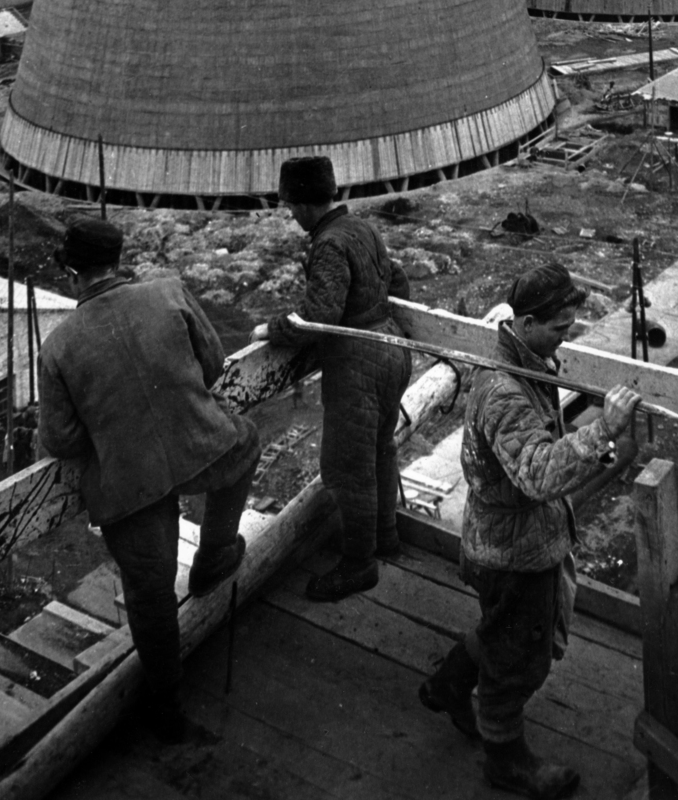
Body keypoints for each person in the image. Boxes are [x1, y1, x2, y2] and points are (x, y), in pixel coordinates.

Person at [419, 261, 641, 800]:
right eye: (560, 328)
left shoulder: (528, 361)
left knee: (504, 629)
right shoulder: (504, 393)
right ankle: (505, 757)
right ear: (526, 322)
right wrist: (601, 431)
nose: (566, 339)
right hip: (513, 550)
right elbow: (538, 472)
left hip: (513, 534)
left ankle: (448, 684)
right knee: (519, 657)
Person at [39, 216, 260, 741]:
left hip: (127, 483)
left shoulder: (58, 345)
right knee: (246, 441)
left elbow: (62, 440)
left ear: (72, 275)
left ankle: (166, 706)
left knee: (150, 593)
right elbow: (213, 365)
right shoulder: (169, 292)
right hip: (200, 446)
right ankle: (214, 556)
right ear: (118, 261)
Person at [254, 155, 412, 601]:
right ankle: (387, 538)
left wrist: (273, 328)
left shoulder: (326, 243)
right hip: (392, 351)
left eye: (290, 206)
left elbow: (320, 316)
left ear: (306, 204)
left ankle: (359, 565)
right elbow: (398, 281)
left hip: (358, 363)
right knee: (380, 447)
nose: (290, 214)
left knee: (346, 468)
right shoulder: (362, 227)